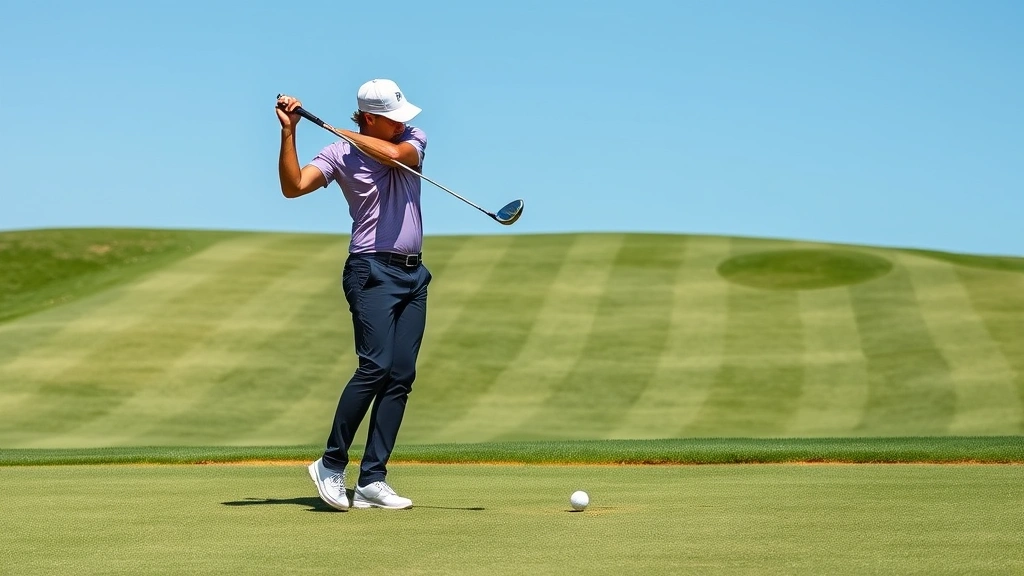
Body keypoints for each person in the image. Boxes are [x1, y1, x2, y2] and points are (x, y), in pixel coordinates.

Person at [276, 79, 430, 510]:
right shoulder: (338, 154)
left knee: (401, 375)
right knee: (375, 366)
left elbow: (398, 157)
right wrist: (290, 132)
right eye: (393, 118)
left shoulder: (411, 139)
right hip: (370, 270)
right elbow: (294, 186)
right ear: (370, 117)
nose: (403, 125)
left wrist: (343, 131)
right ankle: (330, 463)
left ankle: (372, 480)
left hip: (414, 274)